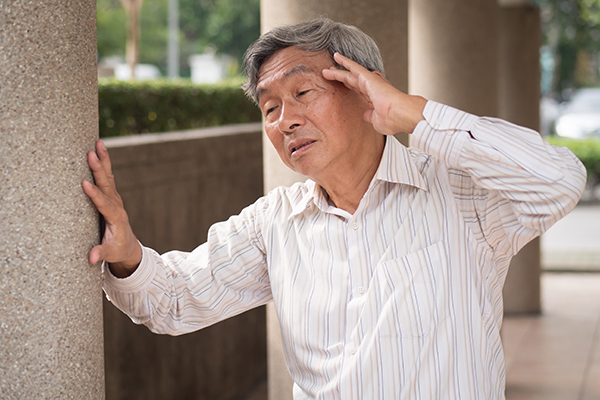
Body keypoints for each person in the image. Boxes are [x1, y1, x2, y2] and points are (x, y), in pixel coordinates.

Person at [84, 18, 587, 400]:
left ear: (366, 89)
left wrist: (414, 112)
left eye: (303, 92)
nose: (285, 121)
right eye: (269, 109)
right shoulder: (275, 222)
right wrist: (126, 252)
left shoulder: (459, 194)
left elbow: (558, 181)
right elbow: (173, 301)